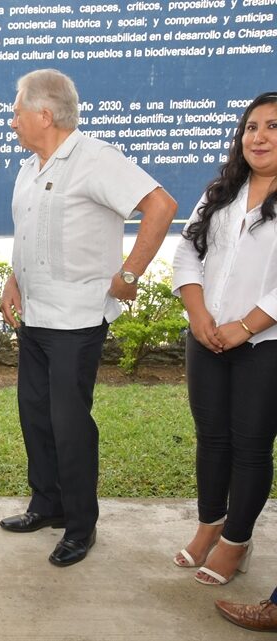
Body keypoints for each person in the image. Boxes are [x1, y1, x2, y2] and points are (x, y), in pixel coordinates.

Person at [0, 70, 177, 566]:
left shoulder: (96, 158)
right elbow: (27, 235)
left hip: (76, 320)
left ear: (44, 115)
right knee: (35, 416)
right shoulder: (29, 166)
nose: (11, 121)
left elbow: (160, 206)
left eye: (16, 111)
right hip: (35, 317)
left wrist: (130, 274)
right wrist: (15, 279)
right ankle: (46, 504)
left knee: (69, 423)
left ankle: (80, 524)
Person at [170, 91, 277, 586]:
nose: (259, 136)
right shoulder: (221, 193)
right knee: (211, 439)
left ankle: (237, 541)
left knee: (251, 445)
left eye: (273, 126)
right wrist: (199, 317)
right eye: (252, 126)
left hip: (265, 346)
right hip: (207, 337)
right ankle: (210, 523)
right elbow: (186, 255)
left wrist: (246, 325)